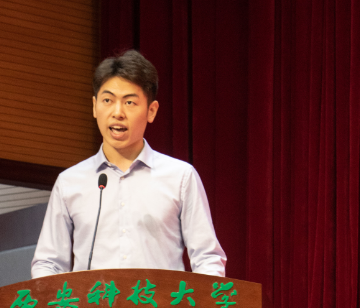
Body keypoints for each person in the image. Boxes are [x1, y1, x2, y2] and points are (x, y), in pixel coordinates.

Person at [31, 50, 226, 278]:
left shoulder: (180, 177)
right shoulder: (69, 182)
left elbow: (207, 259)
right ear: (94, 107)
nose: (117, 113)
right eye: (107, 100)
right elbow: (48, 263)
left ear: (151, 111)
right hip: (93, 302)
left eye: (130, 102)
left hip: (158, 302)